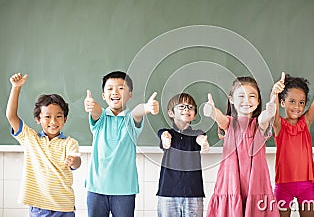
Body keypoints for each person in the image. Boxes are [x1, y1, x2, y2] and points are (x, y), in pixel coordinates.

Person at [83, 70, 159, 217]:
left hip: (124, 190)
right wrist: (92, 106)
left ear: (130, 94)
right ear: (104, 95)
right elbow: (97, 111)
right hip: (96, 188)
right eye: (110, 88)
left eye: (121, 88)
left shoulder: (130, 120)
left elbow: (137, 112)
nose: (115, 92)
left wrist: (146, 108)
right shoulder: (101, 118)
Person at [6, 73, 81, 217]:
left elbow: (76, 163)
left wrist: (75, 161)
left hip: (64, 207)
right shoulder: (30, 138)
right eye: (47, 117)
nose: (53, 121)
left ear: (65, 119)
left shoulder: (70, 143)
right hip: (40, 208)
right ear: (37, 119)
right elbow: (11, 116)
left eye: (58, 116)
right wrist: (16, 88)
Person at [204, 76, 279, 217]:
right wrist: (213, 112)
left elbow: (263, 121)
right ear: (231, 99)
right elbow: (221, 119)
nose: (247, 100)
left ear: (258, 101)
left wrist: (269, 114)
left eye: (252, 96)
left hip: (256, 184)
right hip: (231, 183)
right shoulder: (230, 123)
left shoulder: (258, 125)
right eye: (241, 96)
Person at [271, 71, 314, 217]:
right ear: (282, 102)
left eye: (301, 102)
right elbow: (273, 110)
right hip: (283, 186)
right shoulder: (279, 125)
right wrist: (274, 93)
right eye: (292, 101)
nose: (297, 106)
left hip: (306, 186)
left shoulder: (305, 123)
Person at [157, 93, 210, 217]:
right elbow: (163, 135)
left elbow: (200, 138)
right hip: (168, 192)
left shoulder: (198, 133)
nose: (186, 109)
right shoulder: (166, 133)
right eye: (181, 106)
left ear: (195, 115)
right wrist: (165, 138)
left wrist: (203, 142)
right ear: (171, 113)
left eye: (190, 107)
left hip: (193, 193)